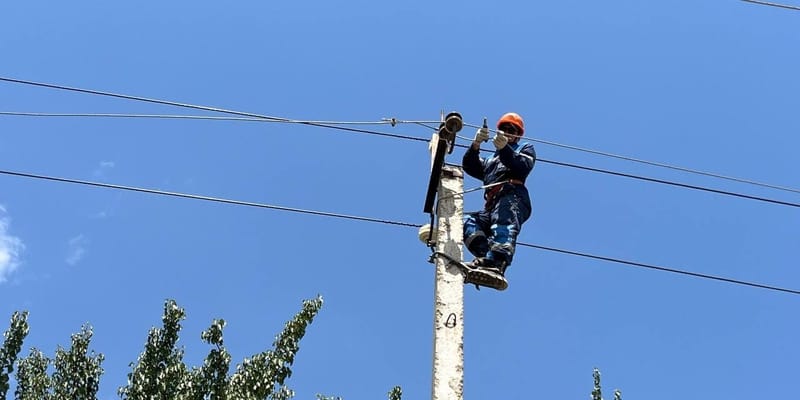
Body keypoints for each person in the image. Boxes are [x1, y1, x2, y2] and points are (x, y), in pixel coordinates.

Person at [462, 112, 535, 290]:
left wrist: (504, 149)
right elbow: (470, 166)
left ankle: (497, 263)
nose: (508, 132)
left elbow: (522, 166)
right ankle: (486, 258)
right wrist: (476, 144)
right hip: (492, 203)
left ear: (518, 134)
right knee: (467, 222)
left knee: (503, 224)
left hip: (512, 196)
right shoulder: (490, 161)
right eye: (504, 129)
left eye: (512, 130)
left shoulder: (524, 149)